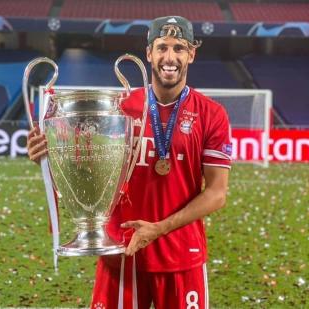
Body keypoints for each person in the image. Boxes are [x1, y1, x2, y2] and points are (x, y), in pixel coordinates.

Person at [27, 16, 232, 309]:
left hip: (181, 256)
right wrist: (51, 157)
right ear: (148, 53)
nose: (170, 57)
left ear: (192, 54)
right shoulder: (120, 108)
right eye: (161, 47)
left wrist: (158, 228)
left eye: (179, 48)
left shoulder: (212, 114)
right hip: (121, 251)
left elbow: (217, 193)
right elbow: (90, 170)